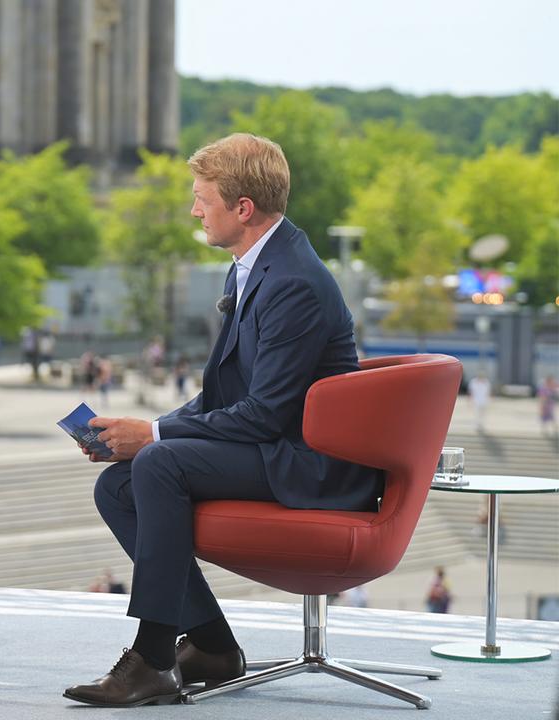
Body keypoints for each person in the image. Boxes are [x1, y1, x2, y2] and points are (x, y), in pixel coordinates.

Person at [64, 133, 383, 708]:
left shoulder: (292, 283)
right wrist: (136, 432)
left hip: (311, 462)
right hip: (276, 443)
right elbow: (220, 395)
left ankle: (154, 657)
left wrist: (156, 437)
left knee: (158, 463)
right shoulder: (254, 267)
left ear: (242, 209)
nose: (193, 210)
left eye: (201, 199)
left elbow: (265, 414)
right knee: (117, 483)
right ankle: (210, 643)